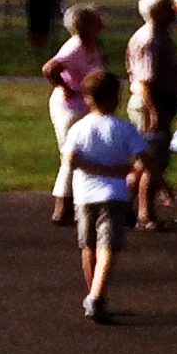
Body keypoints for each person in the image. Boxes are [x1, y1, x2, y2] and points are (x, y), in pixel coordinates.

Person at [60, 70, 145, 323]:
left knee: (88, 245)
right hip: (115, 195)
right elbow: (145, 160)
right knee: (107, 247)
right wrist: (123, 172)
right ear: (115, 99)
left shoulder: (78, 128)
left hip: (84, 196)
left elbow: (71, 160)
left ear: (87, 99)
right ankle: (97, 295)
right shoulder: (124, 129)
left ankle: (95, 293)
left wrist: (97, 169)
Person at [125, 0, 177, 227]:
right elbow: (146, 80)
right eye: (168, 8)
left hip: (158, 103)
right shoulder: (150, 39)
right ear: (157, 12)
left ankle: (123, 208)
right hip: (151, 105)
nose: (173, 11)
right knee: (154, 162)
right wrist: (155, 112)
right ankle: (145, 214)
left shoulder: (160, 36)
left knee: (144, 162)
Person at [40, 4, 107, 223]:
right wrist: (67, 89)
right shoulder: (75, 46)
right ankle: (62, 208)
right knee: (71, 156)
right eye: (96, 18)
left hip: (85, 106)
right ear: (87, 25)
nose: (101, 21)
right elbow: (50, 68)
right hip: (69, 108)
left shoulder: (93, 45)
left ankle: (80, 204)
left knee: (85, 155)